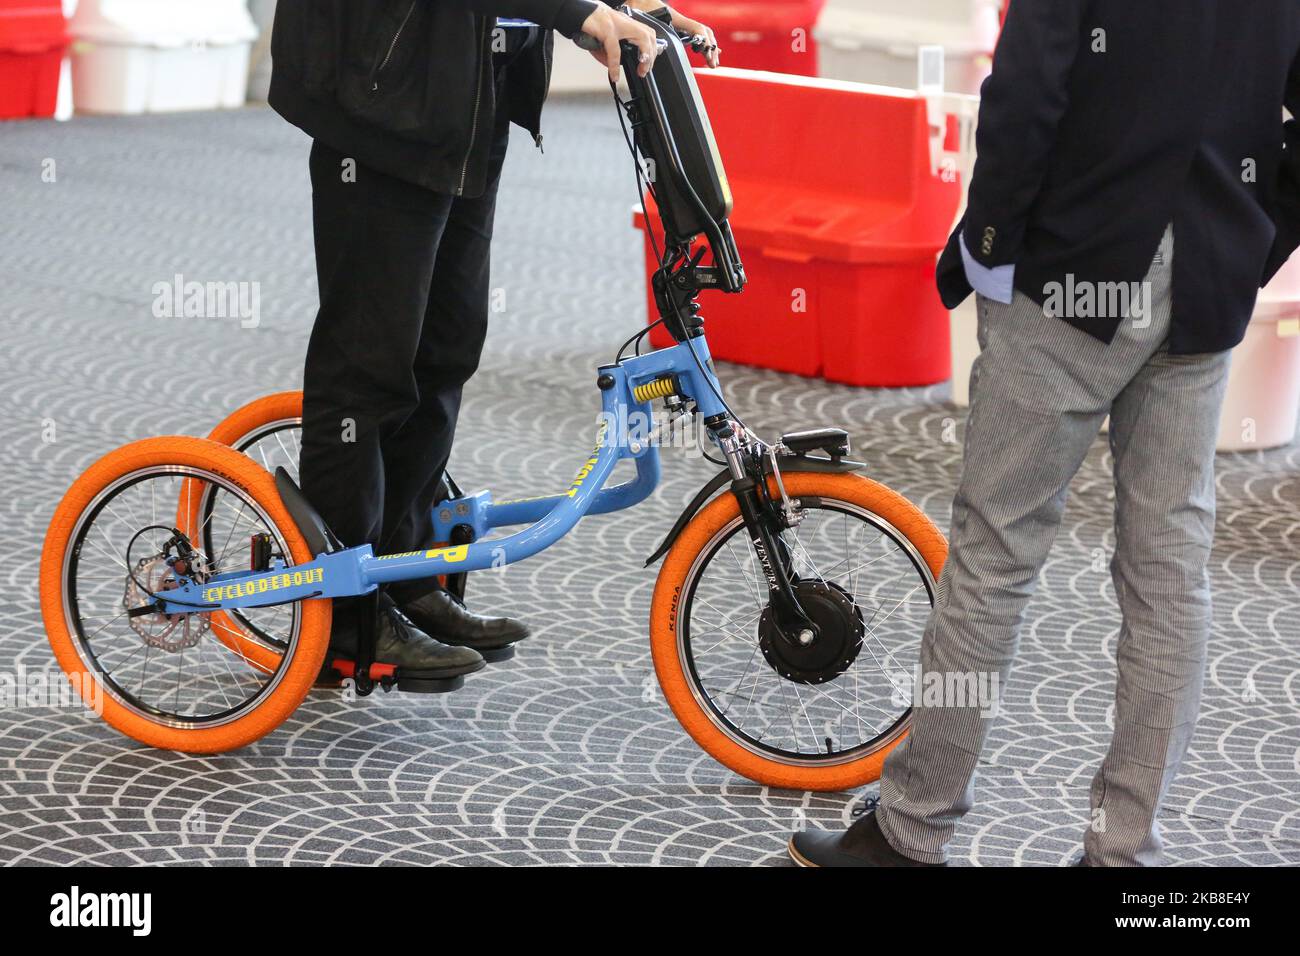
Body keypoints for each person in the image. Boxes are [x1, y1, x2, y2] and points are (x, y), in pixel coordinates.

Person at [790, 0, 1300, 866]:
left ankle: (912, 832)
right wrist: (1254, 239)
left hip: (1071, 266)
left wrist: (989, 246)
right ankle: (1122, 854)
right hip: (1209, 272)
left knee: (995, 554)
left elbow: (1026, 90)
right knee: (1170, 574)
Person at [267, 2, 719, 685]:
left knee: (445, 350)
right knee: (368, 366)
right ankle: (347, 616)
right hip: (383, 97)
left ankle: (405, 572)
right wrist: (577, 12)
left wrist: (624, 9)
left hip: (466, 94)